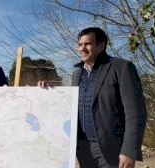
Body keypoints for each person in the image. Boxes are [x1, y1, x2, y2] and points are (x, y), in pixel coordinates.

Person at [38, 27, 147, 168]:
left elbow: (136, 112)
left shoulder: (122, 68)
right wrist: (50, 91)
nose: (82, 48)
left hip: (111, 150)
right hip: (82, 149)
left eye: (87, 44)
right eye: (80, 44)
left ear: (101, 45)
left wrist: (129, 151)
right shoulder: (76, 74)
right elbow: (70, 106)